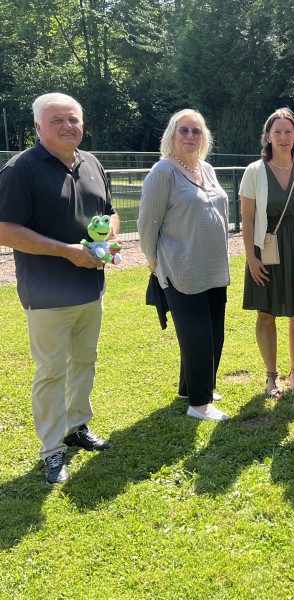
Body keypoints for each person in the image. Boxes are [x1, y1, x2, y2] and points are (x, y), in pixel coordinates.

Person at [0, 93, 116, 484]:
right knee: (51, 371)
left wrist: (107, 238)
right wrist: (67, 251)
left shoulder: (92, 163)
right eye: (57, 120)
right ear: (38, 127)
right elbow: (5, 230)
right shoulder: (21, 169)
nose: (68, 126)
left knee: (84, 361)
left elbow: (110, 213)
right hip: (47, 294)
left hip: (90, 288)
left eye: (73, 119)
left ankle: (76, 426)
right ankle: (52, 449)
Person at [138, 109, 231, 421]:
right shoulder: (163, 171)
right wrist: (154, 262)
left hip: (213, 267)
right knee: (197, 336)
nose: (191, 136)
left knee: (213, 333)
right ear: (172, 135)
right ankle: (199, 404)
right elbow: (147, 223)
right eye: (184, 130)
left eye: (196, 131)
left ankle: (191, 387)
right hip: (181, 268)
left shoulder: (206, 168)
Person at [240, 108, 294, 399]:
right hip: (266, 251)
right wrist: (251, 258)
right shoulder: (254, 171)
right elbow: (247, 219)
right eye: (277, 132)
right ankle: (271, 377)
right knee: (266, 314)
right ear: (268, 136)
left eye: (288, 131)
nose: (283, 137)